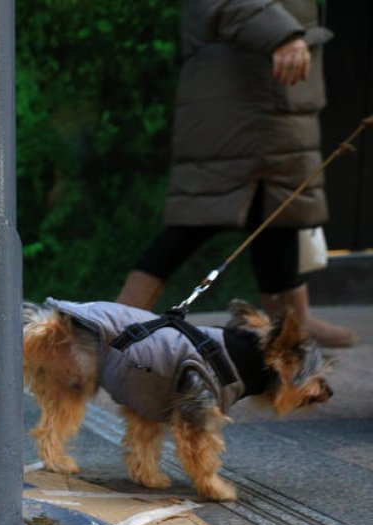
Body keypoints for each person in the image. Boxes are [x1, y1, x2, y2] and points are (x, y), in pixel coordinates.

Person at [116, 0, 356, 347]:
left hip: (278, 100)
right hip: (239, 98)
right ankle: (117, 318)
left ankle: (290, 325)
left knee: (279, 213)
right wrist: (283, 34)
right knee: (198, 216)